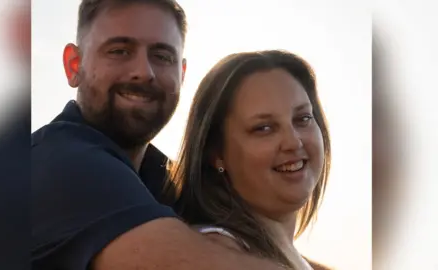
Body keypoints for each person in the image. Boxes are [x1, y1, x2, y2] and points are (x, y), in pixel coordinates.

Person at [32, 0, 291, 269]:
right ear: (74, 65)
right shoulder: (58, 163)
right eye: (119, 51)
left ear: (182, 73)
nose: (144, 72)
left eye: (162, 56)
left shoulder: (165, 180)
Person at [166, 50, 333, 269]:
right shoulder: (213, 255)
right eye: (263, 128)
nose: (293, 142)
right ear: (216, 153)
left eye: (303, 119)